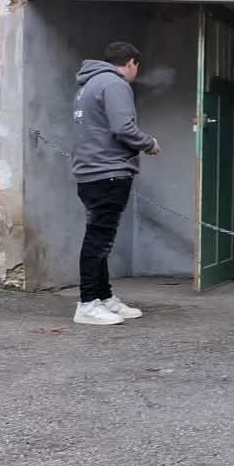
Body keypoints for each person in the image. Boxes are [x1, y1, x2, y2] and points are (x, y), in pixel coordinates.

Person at [71, 41, 161, 326]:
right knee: (99, 239)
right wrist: (149, 143)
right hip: (108, 170)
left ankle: (103, 297)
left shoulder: (89, 84)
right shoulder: (115, 84)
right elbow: (123, 128)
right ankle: (87, 304)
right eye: (137, 66)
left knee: (101, 237)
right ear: (132, 62)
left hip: (90, 171)